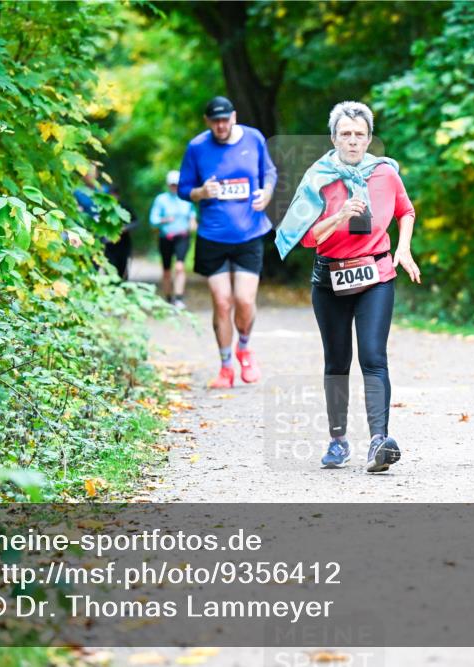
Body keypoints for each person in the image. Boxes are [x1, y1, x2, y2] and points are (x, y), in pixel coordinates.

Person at [275, 101, 420, 473]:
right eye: (345, 134)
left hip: (376, 275)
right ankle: (338, 441)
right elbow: (308, 238)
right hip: (330, 279)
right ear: (334, 139)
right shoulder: (318, 178)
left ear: (369, 139)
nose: (353, 141)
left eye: (359, 134)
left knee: (373, 357)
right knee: (337, 361)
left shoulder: (385, 173)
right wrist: (340, 216)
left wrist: (403, 248)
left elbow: (405, 210)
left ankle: (378, 442)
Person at [178, 96, 277, 388]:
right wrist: (200, 193)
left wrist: (267, 193)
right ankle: (225, 368)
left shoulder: (254, 138)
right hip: (212, 235)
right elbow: (183, 189)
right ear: (207, 122)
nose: (221, 126)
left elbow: (269, 173)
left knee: (244, 300)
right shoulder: (197, 147)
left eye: (225, 120)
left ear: (233, 117)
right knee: (222, 303)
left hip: (249, 233)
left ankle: (244, 347)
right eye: (215, 121)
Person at [73, 164, 134, 280]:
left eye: (92, 172)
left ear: (97, 174)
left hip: (103, 235)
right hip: (86, 233)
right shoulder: (77, 192)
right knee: (88, 265)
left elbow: (113, 208)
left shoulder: (105, 191)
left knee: (110, 265)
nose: (90, 175)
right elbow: (75, 213)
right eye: (87, 172)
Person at [149, 170, 197, 307]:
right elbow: (153, 220)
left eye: (177, 184)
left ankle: (179, 297)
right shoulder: (161, 199)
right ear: (168, 185)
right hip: (166, 238)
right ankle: (168, 298)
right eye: (172, 184)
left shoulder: (186, 199)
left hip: (182, 237)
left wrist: (193, 223)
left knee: (180, 267)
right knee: (167, 270)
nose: (174, 187)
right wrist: (164, 220)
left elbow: (192, 215)